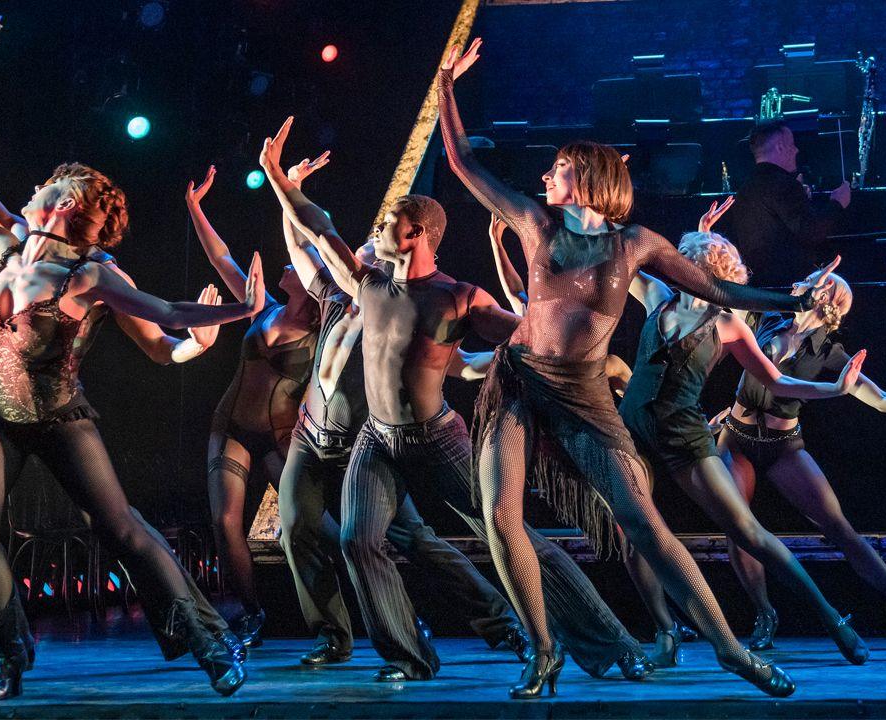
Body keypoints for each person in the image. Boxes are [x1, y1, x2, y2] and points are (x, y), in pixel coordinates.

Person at [438, 39, 830, 699]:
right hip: (519, 383)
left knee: (643, 521)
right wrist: (446, 86)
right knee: (500, 513)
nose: (544, 178)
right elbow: (461, 158)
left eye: (558, 169)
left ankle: (731, 651)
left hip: (586, 396)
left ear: (585, 179)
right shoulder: (535, 223)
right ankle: (543, 651)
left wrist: (791, 298)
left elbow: (721, 292)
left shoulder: (637, 244)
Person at [259, 118, 655, 683]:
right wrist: (277, 177)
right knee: (356, 538)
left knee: (515, 537)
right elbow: (316, 226)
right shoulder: (365, 285)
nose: (380, 230)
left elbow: (527, 336)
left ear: (417, 232)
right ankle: (407, 658)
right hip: (378, 439)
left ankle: (612, 642)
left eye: (390, 223)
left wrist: (587, 353)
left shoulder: (457, 297)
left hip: (438, 440)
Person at [0, 75, 255, 700]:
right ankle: (2, 657)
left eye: (43, 188)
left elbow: (167, 321)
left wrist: (228, 320)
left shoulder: (90, 275)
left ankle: (210, 643)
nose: (30, 190)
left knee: (122, 530)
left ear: (65, 204)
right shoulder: (9, 248)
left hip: (60, 418)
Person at [616, 229, 871, 669]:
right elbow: (624, 251)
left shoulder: (728, 322)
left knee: (747, 531)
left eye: (686, 261)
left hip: (684, 434)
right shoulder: (657, 293)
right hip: (632, 429)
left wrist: (834, 388)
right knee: (631, 533)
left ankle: (831, 619)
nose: (673, 266)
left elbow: (776, 380)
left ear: (707, 273)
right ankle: (665, 632)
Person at [715, 271, 886, 652]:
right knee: (737, 525)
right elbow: (722, 292)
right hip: (737, 439)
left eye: (821, 281)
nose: (807, 281)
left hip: (784, 446)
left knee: (839, 528)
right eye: (813, 277)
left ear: (830, 300)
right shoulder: (764, 317)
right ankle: (764, 613)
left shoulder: (829, 352)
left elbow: (878, 397)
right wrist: (707, 240)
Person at [186, 164, 319, 645]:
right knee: (225, 522)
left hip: (280, 436)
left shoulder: (321, 331)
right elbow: (222, 260)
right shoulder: (262, 307)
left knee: (305, 526)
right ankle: (253, 612)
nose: (287, 265)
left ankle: (326, 613)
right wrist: (195, 208)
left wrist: (294, 192)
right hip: (231, 427)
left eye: (296, 267)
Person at [721, 120, 850, 286]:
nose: (796, 150)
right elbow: (811, 232)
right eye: (792, 144)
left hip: (758, 286)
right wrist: (837, 203)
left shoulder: (745, 189)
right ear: (780, 147)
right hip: (791, 286)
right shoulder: (784, 185)